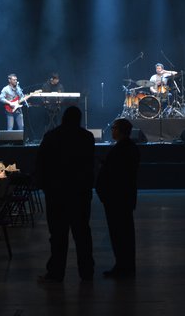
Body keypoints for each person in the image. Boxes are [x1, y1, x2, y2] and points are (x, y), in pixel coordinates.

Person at [35, 106, 95, 283]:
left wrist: (45, 187)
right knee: (82, 234)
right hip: (80, 194)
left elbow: (41, 163)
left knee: (58, 236)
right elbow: (89, 165)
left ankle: (56, 272)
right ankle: (86, 272)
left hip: (57, 194)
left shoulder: (51, 136)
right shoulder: (87, 137)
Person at [96, 118, 141, 278]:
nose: (112, 130)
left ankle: (123, 266)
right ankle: (125, 265)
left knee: (120, 234)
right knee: (124, 234)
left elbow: (115, 174)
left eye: (114, 128)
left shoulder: (121, 149)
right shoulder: (130, 148)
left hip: (117, 198)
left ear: (120, 130)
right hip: (123, 198)